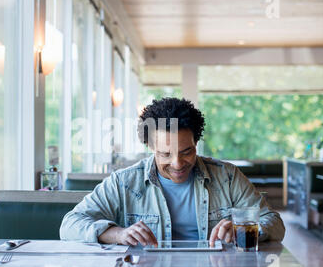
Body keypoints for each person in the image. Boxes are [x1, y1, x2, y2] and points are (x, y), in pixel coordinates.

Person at [60, 97, 285, 247]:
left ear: (196, 142)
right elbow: (70, 225)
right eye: (165, 154)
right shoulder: (124, 182)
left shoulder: (227, 176)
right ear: (150, 147)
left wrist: (243, 231)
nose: (177, 164)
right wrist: (117, 234)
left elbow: (274, 222)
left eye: (186, 151)